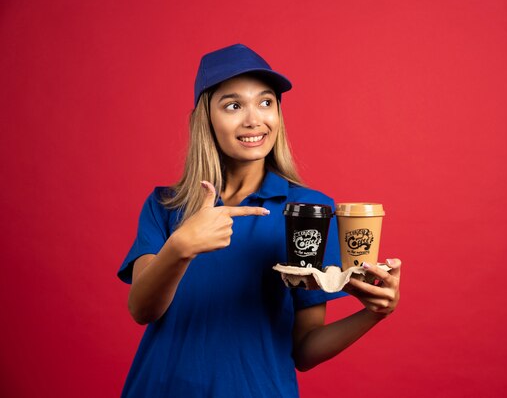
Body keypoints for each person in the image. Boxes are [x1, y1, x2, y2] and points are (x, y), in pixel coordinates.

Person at [117, 43, 401, 398]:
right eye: (233, 105)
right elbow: (141, 310)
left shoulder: (308, 210)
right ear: (204, 119)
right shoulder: (165, 205)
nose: (254, 119)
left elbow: (304, 349)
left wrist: (374, 313)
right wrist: (180, 247)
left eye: (265, 102)